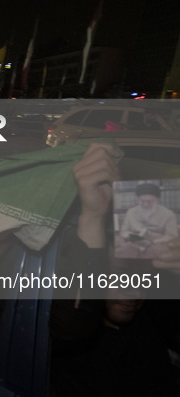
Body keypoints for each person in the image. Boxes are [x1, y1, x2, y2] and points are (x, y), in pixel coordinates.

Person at [50, 143, 180, 397]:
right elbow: (73, 322)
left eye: (140, 279)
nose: (134, 292)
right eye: (118, 276)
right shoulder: (72, 344)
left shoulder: (147, 321)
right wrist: (94, 216)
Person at [116, 182, 178, 258]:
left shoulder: (169, 214)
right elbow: (124, 231)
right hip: (133, 243)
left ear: (158, 200)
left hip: (157, 243)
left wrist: (152, 241)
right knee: (123, 250)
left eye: (149, 201)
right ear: (137, 199)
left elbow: (172, 235)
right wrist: (131, 236)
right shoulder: (131, 212)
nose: (145, 205)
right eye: (142, 201)